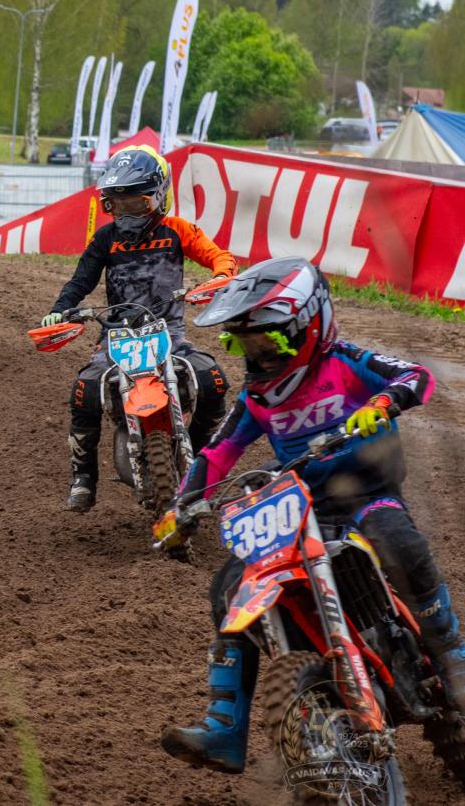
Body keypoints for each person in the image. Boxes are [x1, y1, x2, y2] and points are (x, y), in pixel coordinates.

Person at [158, 256, 465, 775]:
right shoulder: (256, 396)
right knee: (230, 588)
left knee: (397, 539)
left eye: (268, 342)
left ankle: (452, 654)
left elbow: (416, 376)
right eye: (244, 344)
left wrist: (383, 403)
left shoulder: (342, 361)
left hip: (366, 494)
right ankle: (225, 726)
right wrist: (181, 507)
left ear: (309, 326)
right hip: (299, 506)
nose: (258, 355)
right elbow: (216, 453)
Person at [38, 145, 236, 512]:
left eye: (135, 203)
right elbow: (79, 282)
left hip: (168, 331)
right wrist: (59, 312)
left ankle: (201, 455)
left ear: (159, 197)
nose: (126, 213)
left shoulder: (178, 231)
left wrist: (221, 275)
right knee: (84, 390)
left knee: (213, 381)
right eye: (117, 204)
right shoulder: (106, 239)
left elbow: (218, 256)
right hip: (116, 334)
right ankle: (84, 477)